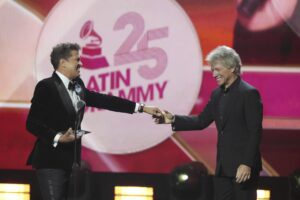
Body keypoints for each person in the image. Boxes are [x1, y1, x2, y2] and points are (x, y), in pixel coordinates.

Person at [26, 43, 159, 200]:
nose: (81, 63)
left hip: (72, 161)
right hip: (51, 162)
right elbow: (32, 123)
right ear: (63, 63)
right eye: (77, 59)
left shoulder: (78, 86)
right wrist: (58, 137)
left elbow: (106, 101)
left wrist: (142, 108)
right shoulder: (46, 86)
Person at [154, 46, 263, 200]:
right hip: (222, 169)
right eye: (212, 70)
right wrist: (171, 119)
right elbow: (201, 121)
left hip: (243, 168)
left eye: (217, 69)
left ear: (232, 67)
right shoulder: (217, 94)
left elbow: (255, 132)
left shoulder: (249, 93)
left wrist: (246, 164)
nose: (214, 74)